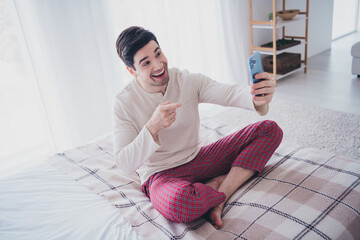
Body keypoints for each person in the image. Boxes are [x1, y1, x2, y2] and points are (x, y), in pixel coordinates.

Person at [113, 26, 283, 229]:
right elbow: (124, 164)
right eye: (146, 63)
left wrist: (258, 94)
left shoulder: (187, 80)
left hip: (197, 158)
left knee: (269, 130)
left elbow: (229, 93)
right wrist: (152, 126)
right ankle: (212, 187)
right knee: (182, 205)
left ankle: (221, 192)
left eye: (158, 53)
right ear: (132, 71)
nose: (159, 65)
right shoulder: (124, 103)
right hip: (160, 174)